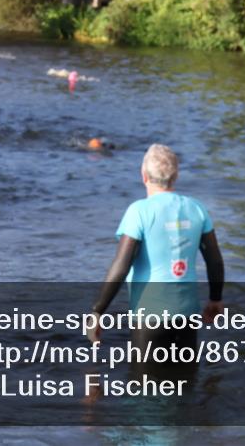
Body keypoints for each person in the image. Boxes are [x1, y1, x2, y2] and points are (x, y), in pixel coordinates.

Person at [86, 144, 225, 367]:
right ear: (176, 176)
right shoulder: (197, 208)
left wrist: (97, 311)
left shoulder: (138, 211)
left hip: (149, 316)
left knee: (144, 389)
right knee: (185, 381)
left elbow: (121, 265)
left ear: (144, 176)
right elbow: (214, 260)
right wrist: (216, 299)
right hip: (187, 313)